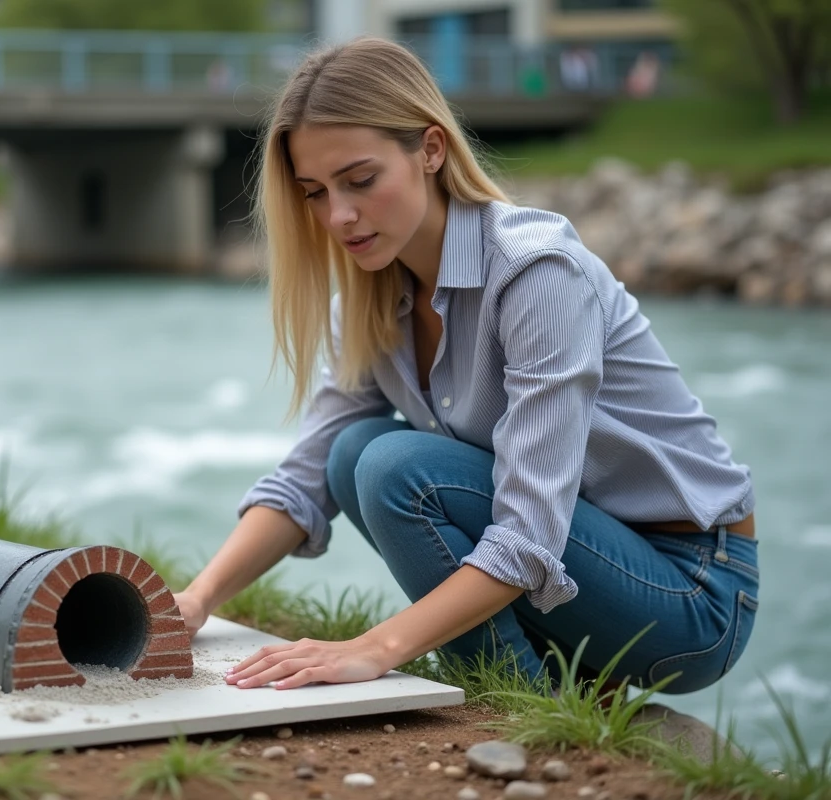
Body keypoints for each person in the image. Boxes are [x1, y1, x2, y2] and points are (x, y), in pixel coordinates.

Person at [170, 36, 759, 696]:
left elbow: (530, 528)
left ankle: (521, 702)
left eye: (361, 180)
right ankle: (542, 684)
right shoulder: (369, 298)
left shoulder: (536, 272)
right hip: (575, 576)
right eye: (314, 192)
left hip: (692, 591)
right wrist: (195, 600)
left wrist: (372, 650)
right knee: (351, 450)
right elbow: (305, 478)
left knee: (395, 466)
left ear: (430, 149)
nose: (338, 215)